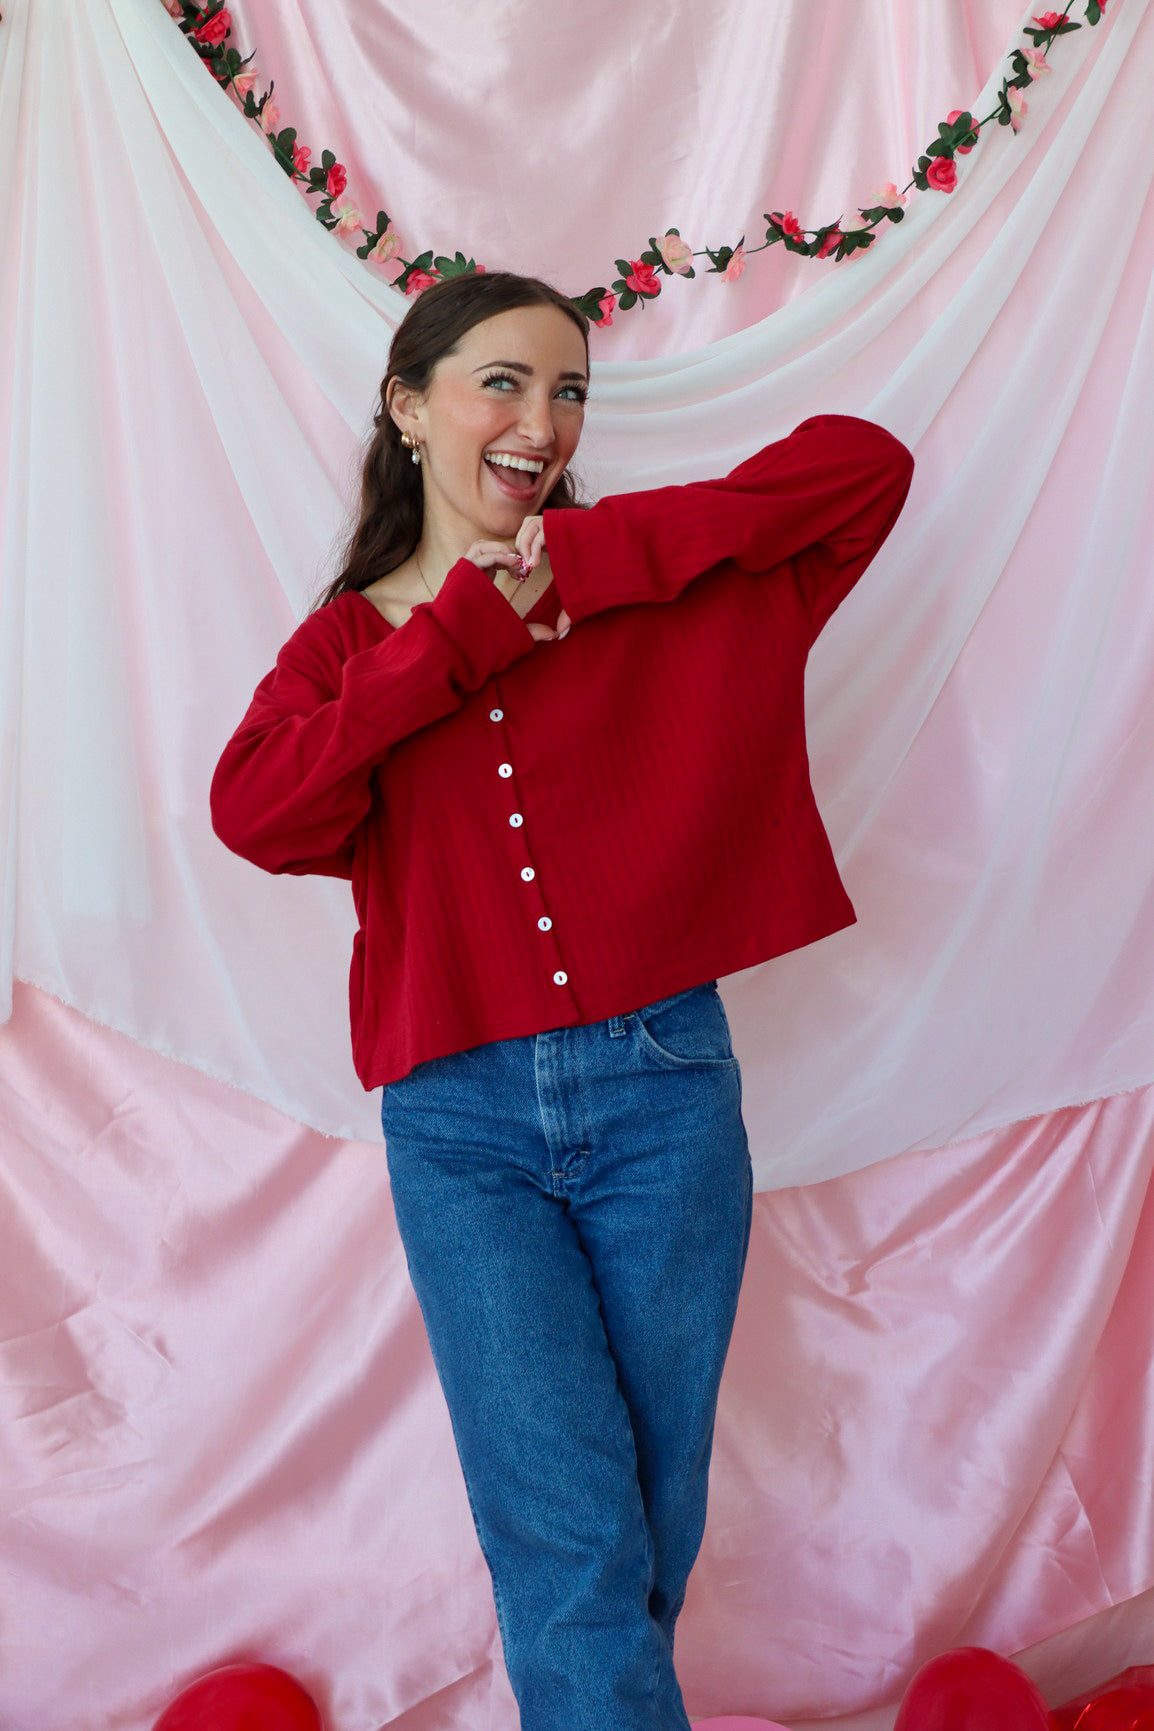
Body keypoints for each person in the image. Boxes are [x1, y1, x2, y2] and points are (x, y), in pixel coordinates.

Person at [210, 270, 914, 1731]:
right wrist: (456, 637)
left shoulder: (637, 573)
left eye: (570, 389)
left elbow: (862, 470)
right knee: (568, 1541)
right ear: (409, 408)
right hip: (461, 1127)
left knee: (645, 1512)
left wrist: (577, 566)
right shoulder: (348, 651)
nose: (543, 419)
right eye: (502, 382)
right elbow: (260, 809)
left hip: (663, 1091)